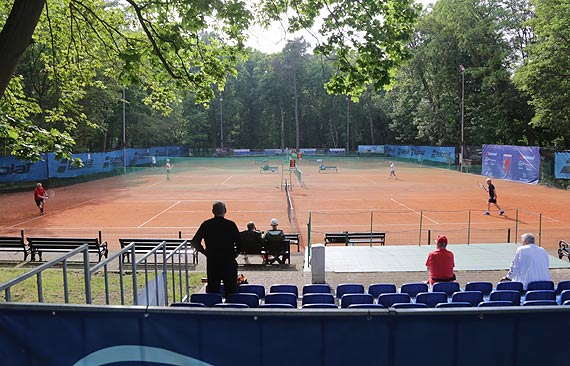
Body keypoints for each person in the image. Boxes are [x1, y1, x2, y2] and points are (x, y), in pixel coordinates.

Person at [191, 201, 242, 297]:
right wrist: (235, 254)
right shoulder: (230, 225)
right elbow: (240, 243)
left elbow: (194, 242)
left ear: (213, 211)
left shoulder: (206, 224)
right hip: (228, 262)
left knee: (213, 292)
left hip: (213, 262)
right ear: (225, 211)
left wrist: (205, 252)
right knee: (231, 292)